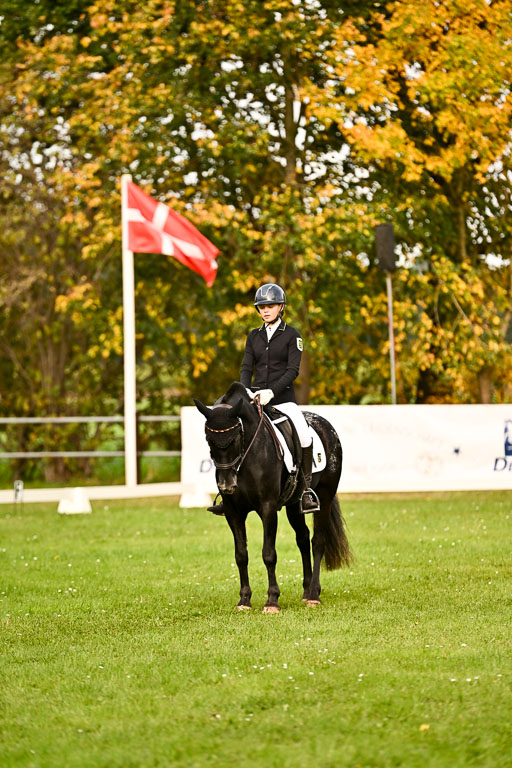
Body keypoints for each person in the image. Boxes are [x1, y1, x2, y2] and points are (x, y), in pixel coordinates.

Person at [208, 282, 320, 515]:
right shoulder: (253, 336)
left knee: (304, 433)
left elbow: (293, 371)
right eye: (261, 307)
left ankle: (307, 491)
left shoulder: (292, 335)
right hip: (255, 398)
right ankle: (226, 494)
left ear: (281, 307)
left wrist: (272, 392)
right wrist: (245, 391)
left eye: (270, 306)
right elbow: (246, 367)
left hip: (283, 399)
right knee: (229, 433)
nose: (265, 310)